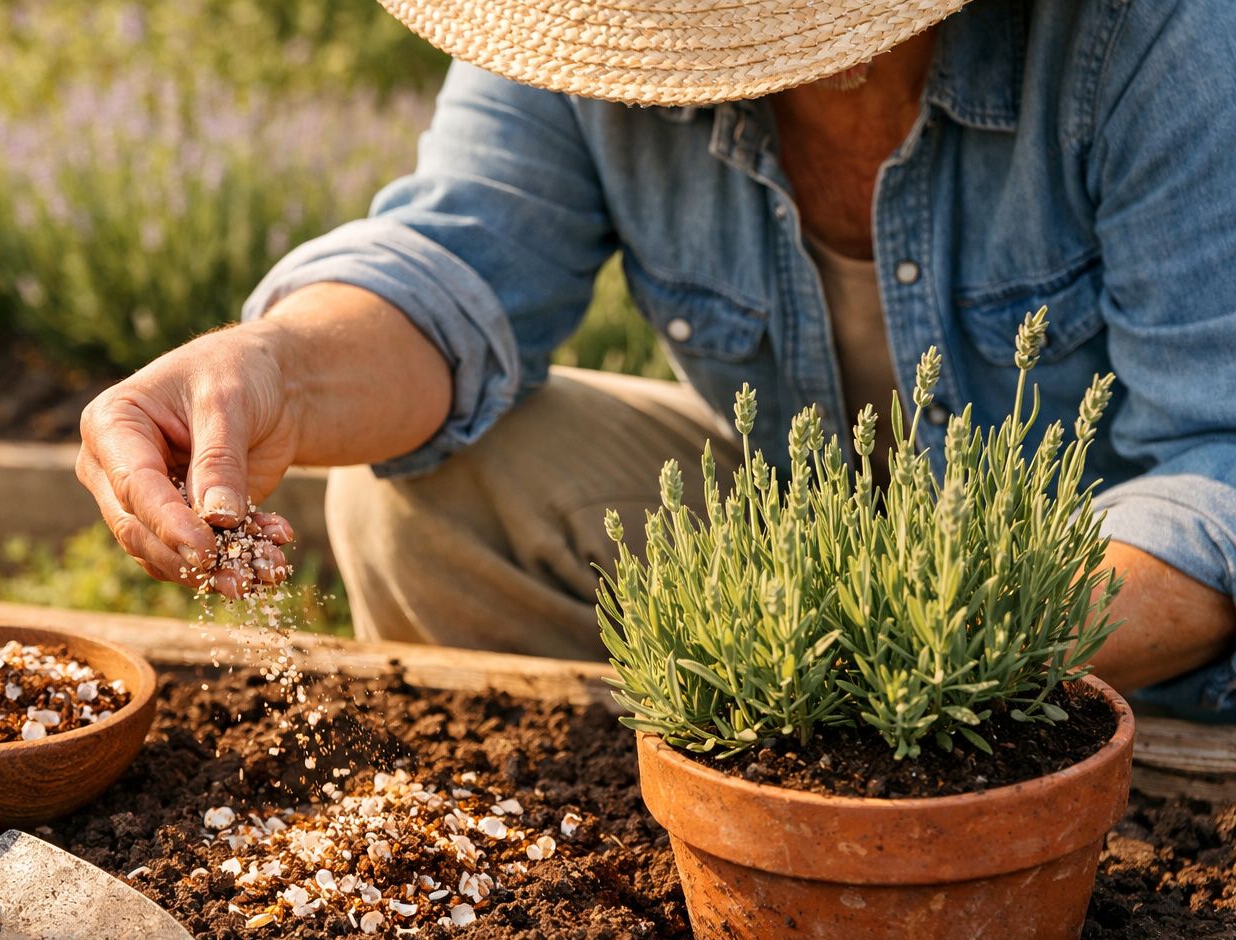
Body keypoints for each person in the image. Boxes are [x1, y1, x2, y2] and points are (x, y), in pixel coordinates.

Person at [76, 0, 1236, 720]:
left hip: (1092, 616)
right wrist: (268, 364)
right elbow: (457, 263)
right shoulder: (600, 26)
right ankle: (708, 802)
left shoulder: (1155, 33)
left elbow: (1215, 474)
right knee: (420, 504)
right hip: (817, 548)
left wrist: (919, 650)